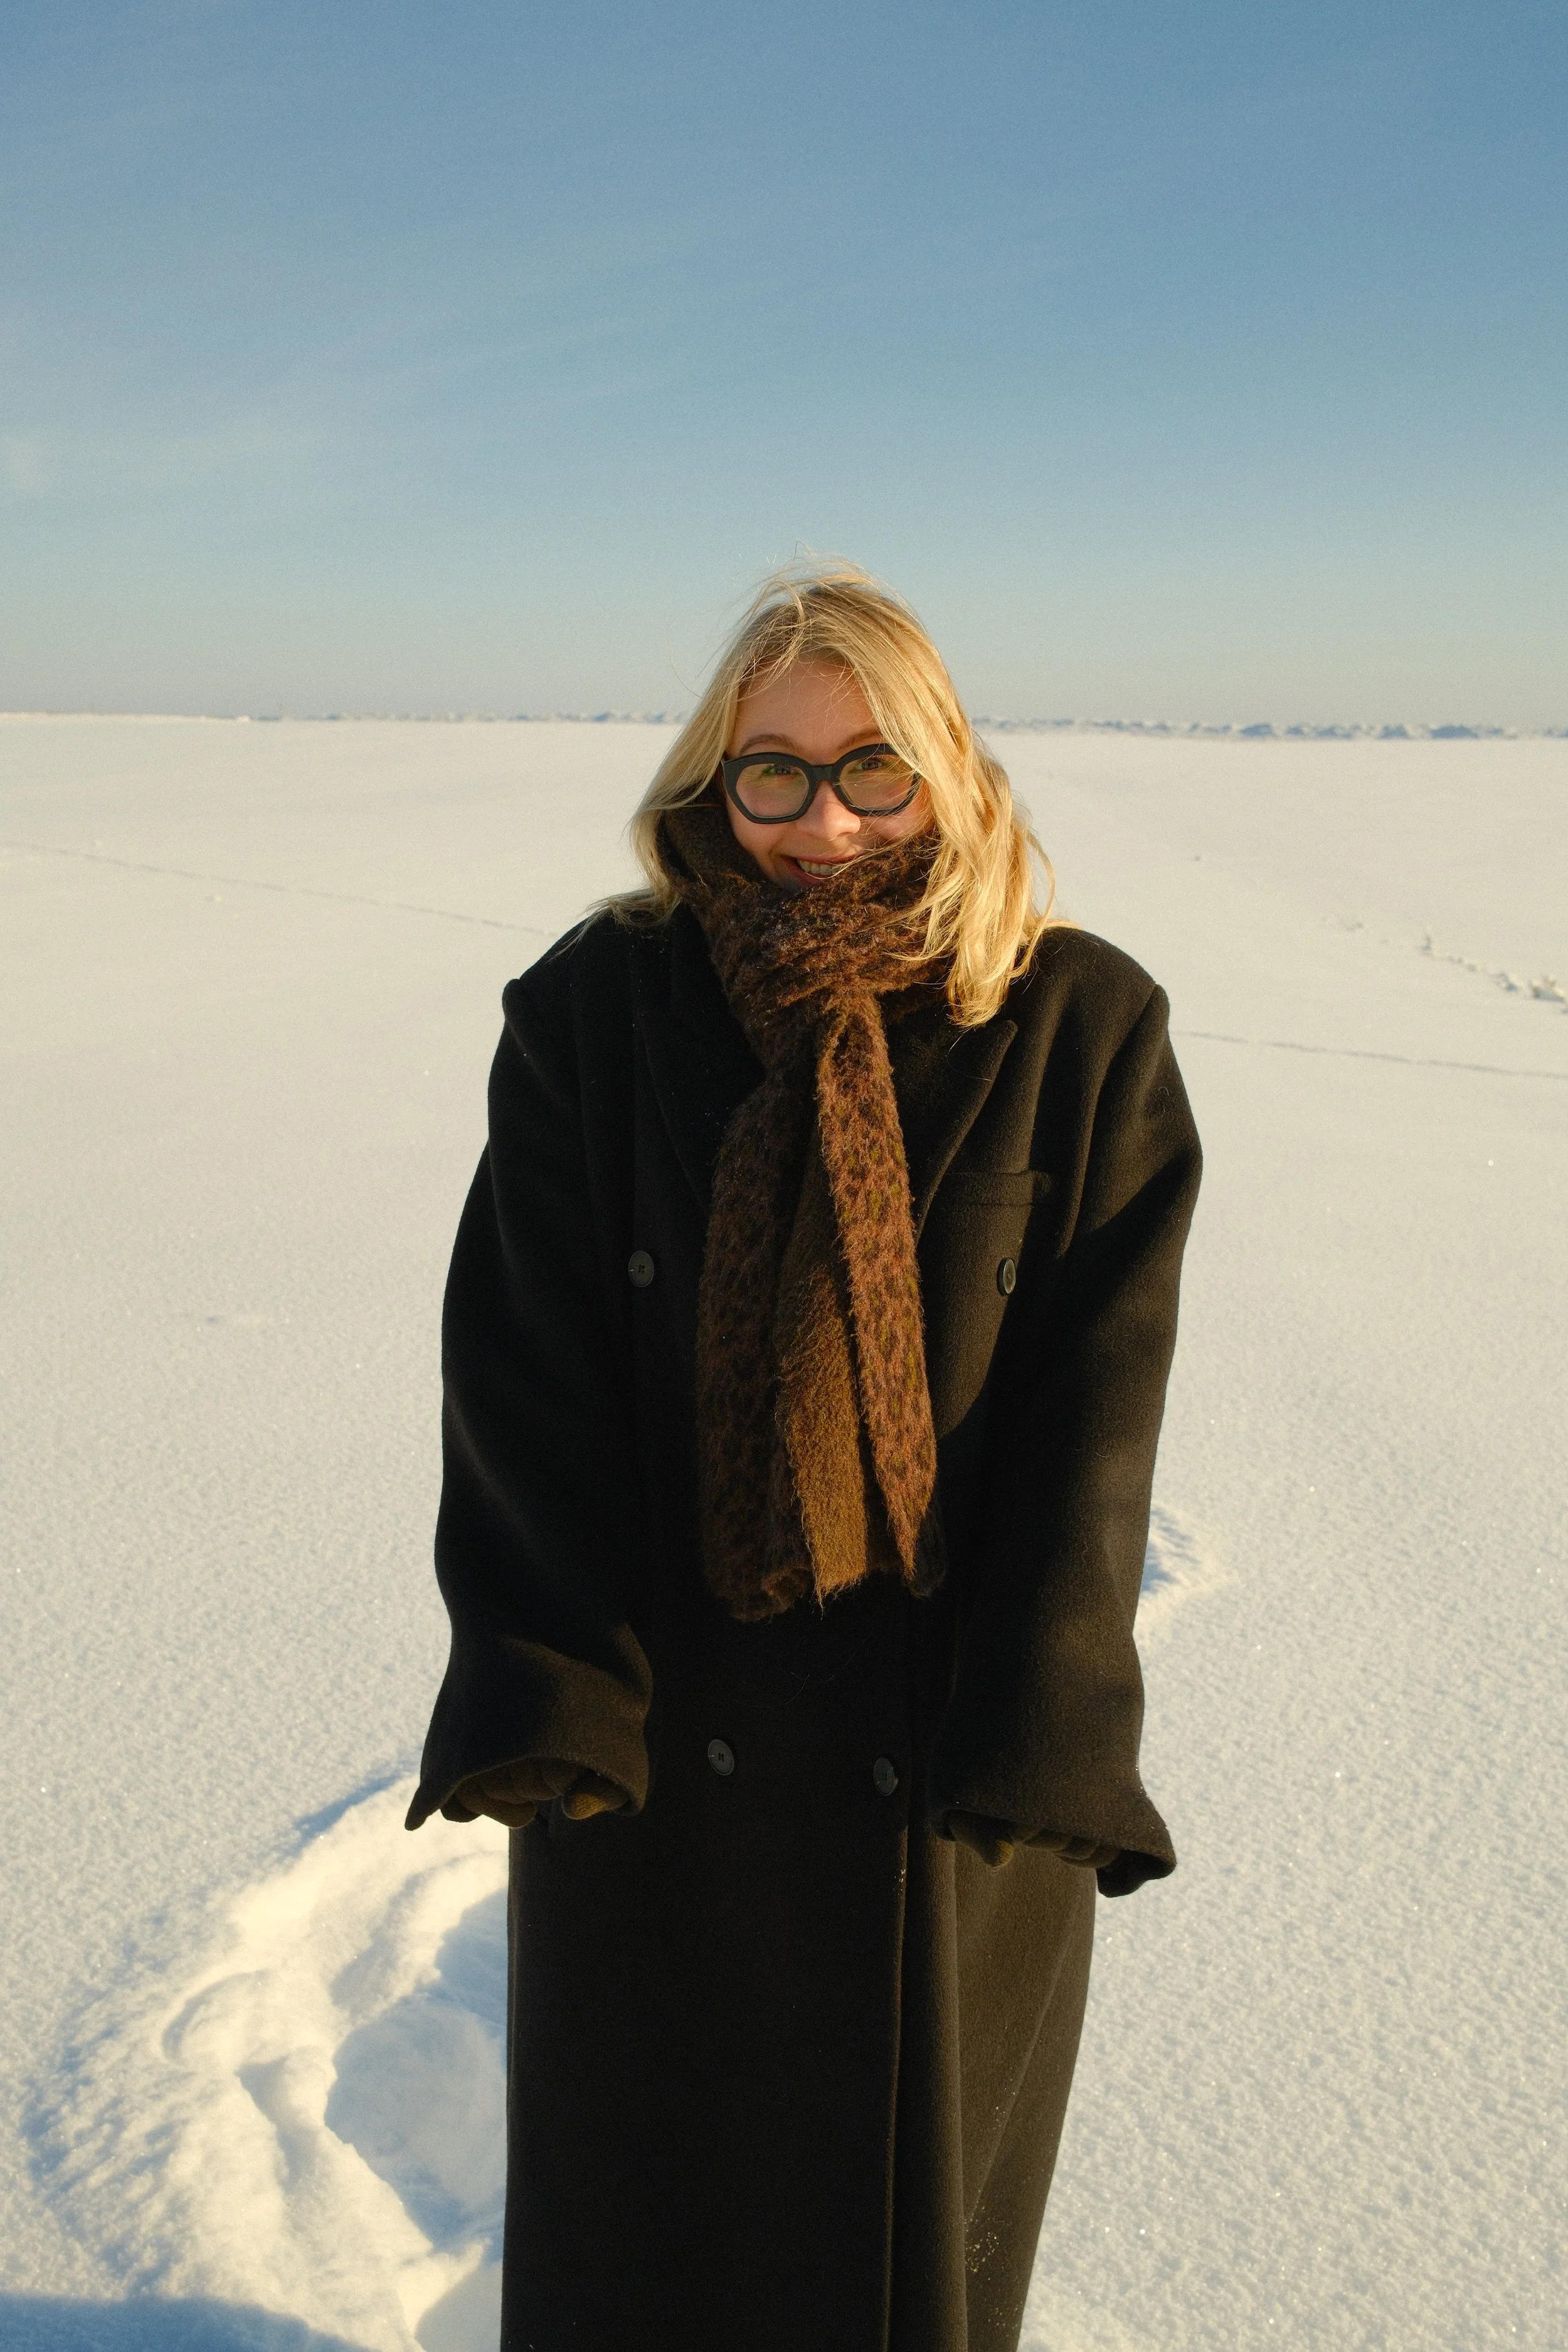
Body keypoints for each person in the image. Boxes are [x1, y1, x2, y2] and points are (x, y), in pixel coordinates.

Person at [406, 563, 1202, 2352]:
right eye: (774, 772)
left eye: (871, 770)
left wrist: (1049, 1718)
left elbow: (1097, 1409)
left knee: (898, 2264)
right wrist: (545, 1684)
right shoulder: (595, 1012)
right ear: (713, 778)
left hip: (941, 1749)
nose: (821, 821)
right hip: (658, 1740)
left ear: (947, 776)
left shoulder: (1074, 1027)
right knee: (649, 2235)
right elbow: (521, 1371)